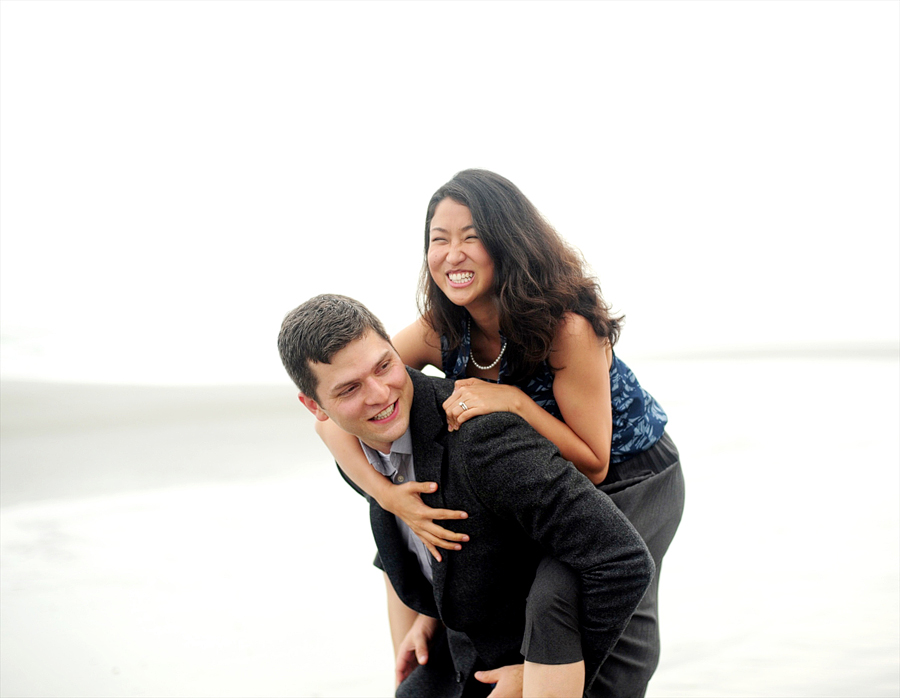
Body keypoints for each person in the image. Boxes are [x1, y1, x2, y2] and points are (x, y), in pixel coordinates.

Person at [316, 170, 685, 698]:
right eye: (438, 240)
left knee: (556, 596)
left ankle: (552, 679)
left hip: (632, 475)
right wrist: (393, 499)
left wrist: (511, 402)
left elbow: (594, 461)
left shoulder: (567, 327)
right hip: (539, 474)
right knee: (414, 531)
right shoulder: (439, 327)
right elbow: (336, 415)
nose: (453, 254)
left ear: (508, 240)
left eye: (471, 236)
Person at [278, 294, 654, 698]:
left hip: (542, 664)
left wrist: (540, 672)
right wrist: (430, 615)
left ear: (395, 351)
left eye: (385, 366)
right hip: (457, 656)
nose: (379, 394)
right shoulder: (357, 455)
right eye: (350, 388)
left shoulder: (482, 443)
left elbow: (621, 559)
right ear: (315, 407)